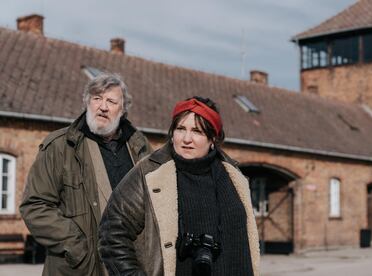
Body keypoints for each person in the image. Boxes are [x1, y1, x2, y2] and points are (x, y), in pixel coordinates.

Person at [98, 96, 260, 276]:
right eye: (181, 129)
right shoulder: (150, 173)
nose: (186, 139)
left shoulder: (234, 177)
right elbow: (112, 233)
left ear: (212, 138)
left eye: (197, 131)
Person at [20, 72, 152, 276]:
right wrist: (77, 246)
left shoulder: (140, 149)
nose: (103, 106)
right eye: (96, 98)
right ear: (86, 103)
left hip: (130, 265)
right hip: (79, 267)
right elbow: (35, 205)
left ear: (123, 109)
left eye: (111, 101)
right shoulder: (59, 146)